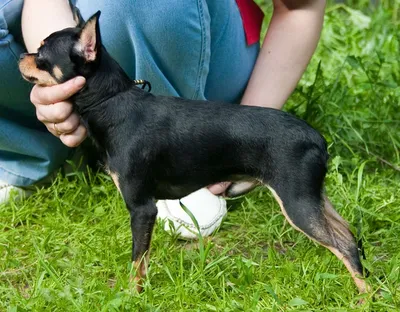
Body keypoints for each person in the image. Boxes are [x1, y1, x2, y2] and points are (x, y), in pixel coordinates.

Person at [0, 0, 325, 237]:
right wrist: (60, 84)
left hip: (198, 44)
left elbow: (301, 7)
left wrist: (248, 133)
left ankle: (179, 156)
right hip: (97, 69)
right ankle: (32, 151)